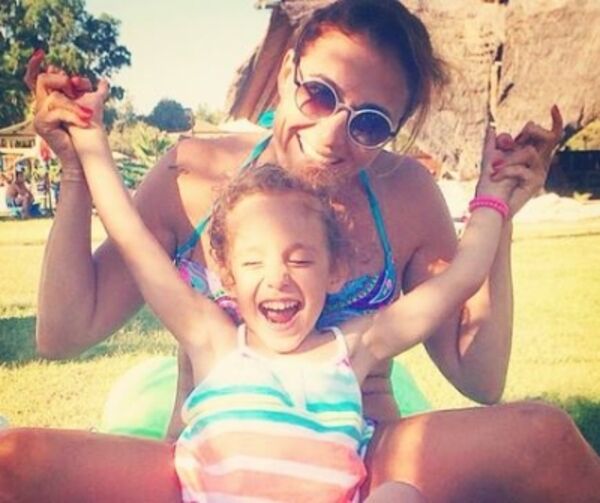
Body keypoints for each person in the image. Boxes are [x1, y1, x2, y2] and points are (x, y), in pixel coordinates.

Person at [2, 0, 598, 501]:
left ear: (395, 128)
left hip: (361, 460)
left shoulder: (406, 194)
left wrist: (500, 209)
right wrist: (78, 171)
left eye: (370, 123)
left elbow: (480, 375)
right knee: (13, 460)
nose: (332, 136)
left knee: (542, 436)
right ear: (288, 70)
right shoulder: (192, 175)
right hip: (206, 461)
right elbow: (64, 332)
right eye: (319, 94)